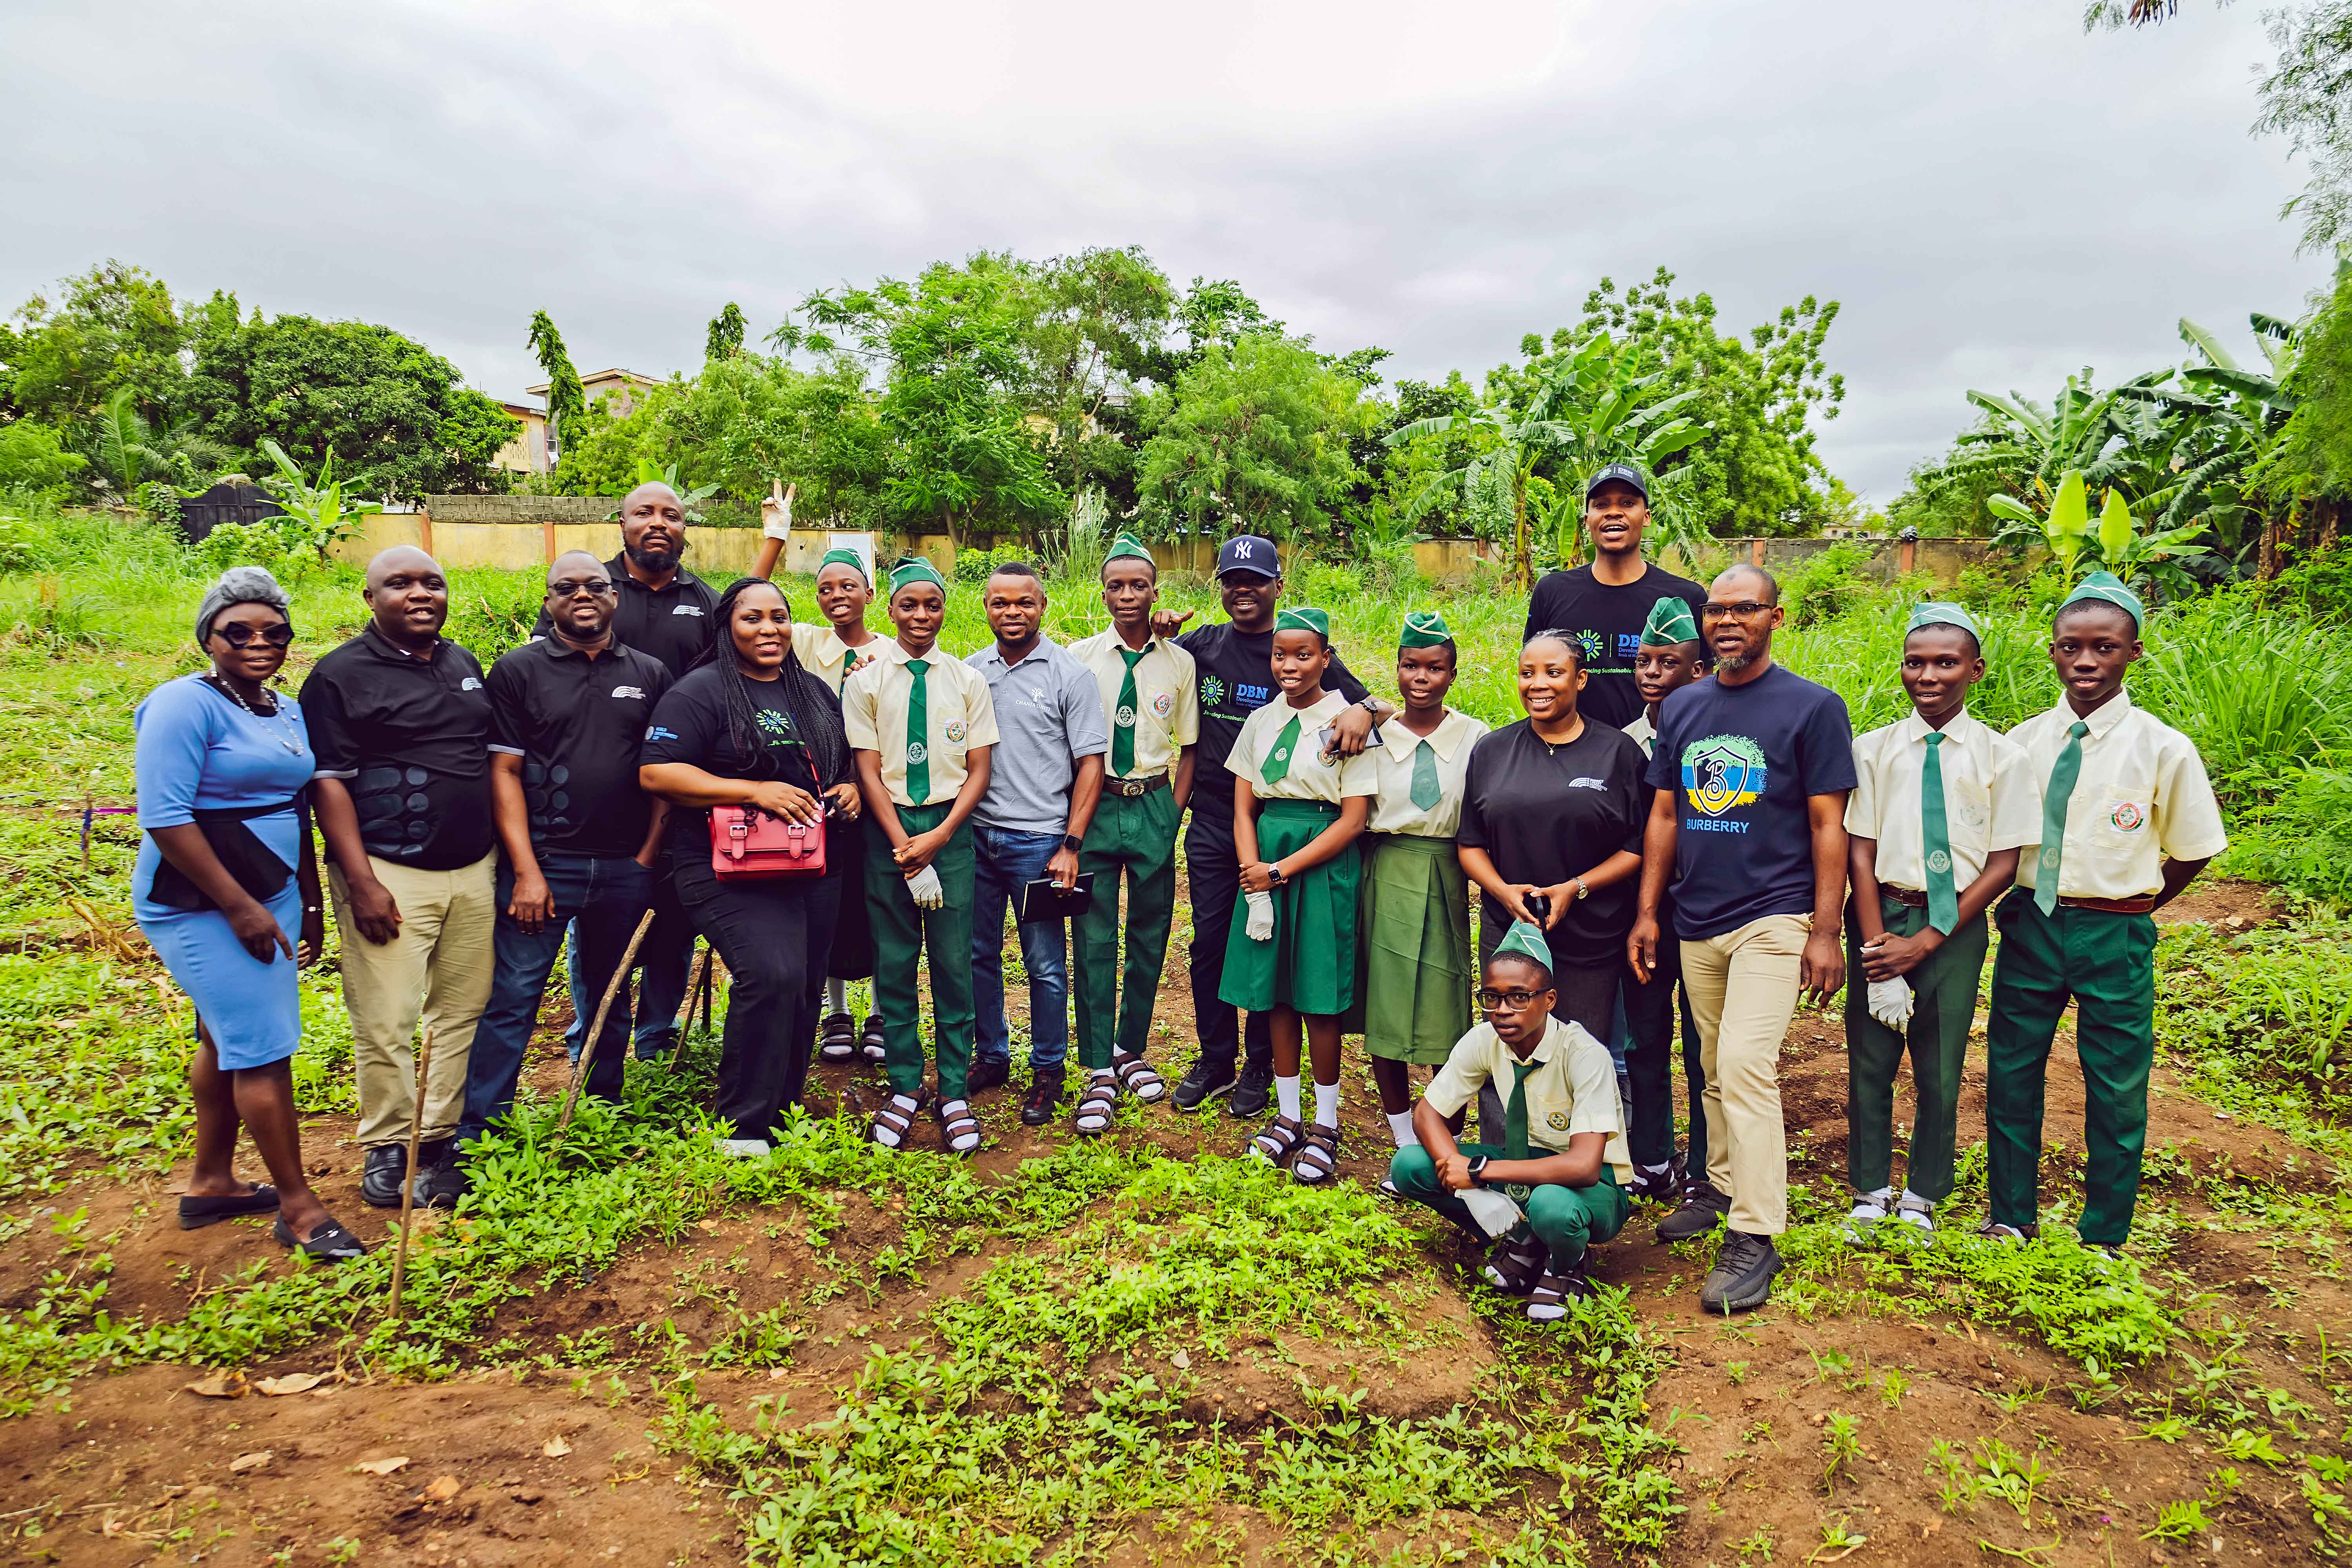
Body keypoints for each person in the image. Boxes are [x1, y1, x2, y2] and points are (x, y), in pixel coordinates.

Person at [1630, 563, 1854, 1315]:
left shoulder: (1813, 708)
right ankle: (1721, 1186)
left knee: (1744, 1064)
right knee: (1711, 1067)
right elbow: (1666, 815)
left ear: (1775, 618)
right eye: (1716, 610)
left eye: (1746, 608)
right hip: (1698, 917)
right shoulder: (1684, 706)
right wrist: (1649, 912)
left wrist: (1826, 929)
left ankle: (1756, 1233)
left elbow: (1829, 824)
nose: (1728, 621)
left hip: (1775, 914)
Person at [1983, 573, 2226, 1252]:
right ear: (2053, 652)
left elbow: (2194, 850)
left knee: (2117, 1083)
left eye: (2105, 648)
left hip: (2114, 930)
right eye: (2071, 647)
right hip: (2032, 924)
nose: (2086, 661)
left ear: (2134, 653)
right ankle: (2011, 1217)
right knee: (2012, 1071)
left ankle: (2105, 1234)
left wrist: (2137, 904)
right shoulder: (2022, 742)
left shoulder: (2163, 748)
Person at [135, 568, 364, 1263]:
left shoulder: (283, 707)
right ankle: (300, 1209)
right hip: (203, 900)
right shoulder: (183, 705)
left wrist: (309, 904)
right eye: (238, 631)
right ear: (208, 636)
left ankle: (212, 1183)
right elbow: (165, 817)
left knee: (222, 1035)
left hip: (274, 890)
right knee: (263, 1050)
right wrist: (239, 908)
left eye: (274, 631)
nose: (259, 642)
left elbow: (298, 806)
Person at [457, 553, 675, 1161]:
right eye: (567, 587)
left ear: (615, 598)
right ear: (548, 601)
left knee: (610, 992)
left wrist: (647, 858)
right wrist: (526, 870)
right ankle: (480, 1131)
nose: (583, 595)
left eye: (595, 586)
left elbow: (663, 771)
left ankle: (602, 1105)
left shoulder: (650, 673)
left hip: (624, 867)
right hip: (546, 866)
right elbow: (503, 772)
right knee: (514, 996)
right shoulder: (518, 671)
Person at [1156, 536, 1383, 1117]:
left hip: (1286, 826)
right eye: (1232, 580)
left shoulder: (1297, 646)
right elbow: (1155, 663)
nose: (1243, 590)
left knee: (1273, 942)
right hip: (1218, 818)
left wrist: (1366, 710)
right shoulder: (1204, 644)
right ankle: (1216, 1058)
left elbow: (1376, 704)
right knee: (1210, 942)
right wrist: (1158, 629)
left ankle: (1261, 1064)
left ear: (1278, 586)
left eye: (1255, 580)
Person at [303, 546, 497, 1210]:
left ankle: (438, 1136)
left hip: (473, 866)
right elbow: (328, 781)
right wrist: (361, 882)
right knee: (387, 1016)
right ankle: (388, 1143)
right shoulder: (339, 676)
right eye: (400, 584)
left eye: (432, 583)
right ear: (370, 598)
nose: (420, 594)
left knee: (461, 1010)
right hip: (390, 869)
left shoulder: (463, 663)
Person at [640, 577, 858, 1155]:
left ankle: (783, 1108)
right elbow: (658, 772)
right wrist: (754, 791)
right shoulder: (701, 691)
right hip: (727, 866)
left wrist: (849, 789)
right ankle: (742, 1125)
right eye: (752, 618)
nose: (769, 629)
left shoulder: (812, 691)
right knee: (771, 973)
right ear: (726, 627)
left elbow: (837, 765)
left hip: (812, 862)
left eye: (779, 618)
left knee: (805, 984)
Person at [1842, 603, 2034, 1237]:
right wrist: (1878, 948)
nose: (1927, 676)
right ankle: (1870, 1190)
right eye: (1914, 662)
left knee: (1940, 1066)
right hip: (1879, 913)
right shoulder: (1873, 751)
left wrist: (1925, 943)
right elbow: (1860, 852)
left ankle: (1923, 1194)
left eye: (1946, 663)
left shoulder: (2003, 759)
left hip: (1954, 927)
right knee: (1870, 1061)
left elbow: (2003, 864)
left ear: (1975, 671)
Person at [537, 482, 717, 1067]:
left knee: (675, 916)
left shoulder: (705, 601)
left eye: (671, 514)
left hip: (679, 790)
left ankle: (656, 1034)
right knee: (593, 932)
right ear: (623, 523)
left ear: (685, 528)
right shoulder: (587, 587)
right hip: (598, 798)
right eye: (645, 512)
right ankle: (592, 1038)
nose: (658, 523)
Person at [1388, 922, 1633, 1321]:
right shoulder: (1485, 1039)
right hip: (1524, 1165)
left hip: (1594, 1187)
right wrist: (1470, 1188)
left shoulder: (1585, 1056)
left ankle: (1567, 1264)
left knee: (1551, 1204)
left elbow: (1584, 1166)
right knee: (1410, 1165)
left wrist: (1478, 1173)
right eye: (1492, 997)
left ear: (1549, 999)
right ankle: (1523, 1240)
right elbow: (1428, 1114)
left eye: (1519, 997)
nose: (1503, 1010)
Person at [842, 557, 999, 1156]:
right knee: (896, 961)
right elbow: (868, 770)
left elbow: (979, 770)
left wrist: (938, 838)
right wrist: (904, 846)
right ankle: (906, 1083)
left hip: (949, 829)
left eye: (932, 605)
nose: (920, 616)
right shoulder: (866, 683)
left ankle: (953, 1088)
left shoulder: (967, 681)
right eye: (909, 605)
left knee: (954, 964)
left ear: (944, 611)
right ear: (890, 611)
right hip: (887, 831)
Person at [1221, 605, 1375, 1186]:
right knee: (1276, 992)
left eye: (1304, 655)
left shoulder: (1348, 722)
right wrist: (1253, 872)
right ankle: (1288, 1116)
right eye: (1280, 654)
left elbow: (1354, 819)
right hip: (1263, 858)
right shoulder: (1260, 721)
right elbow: (1243, 807)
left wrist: (1279, 871)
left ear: (1326, 659)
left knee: (1318, 994)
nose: (1290, 665)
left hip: (1318, 865)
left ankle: (1326, 1124)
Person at [964, 562, 1112, 1118]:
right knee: (978, 954)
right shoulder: (970, 672)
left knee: (1045, 964)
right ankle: (991, 1055)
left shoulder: (1070, 675)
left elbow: (1091, 763)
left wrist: (1070, 844)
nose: (1013, 612)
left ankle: (1049, 1068)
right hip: (977, 838)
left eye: (1024, 602)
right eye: (1000, 603)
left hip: (1039, 842)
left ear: (1043, 606)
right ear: (985, 608)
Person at [1067, 535, 1199, 1135]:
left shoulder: (1179, 662)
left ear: (1155, 591)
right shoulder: (1079, 659)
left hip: (1151, 804)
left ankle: (1130, 1048)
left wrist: (1171, 812)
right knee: (1093, 936)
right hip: (1095, 805)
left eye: (1138, 585)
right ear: (1103, 594)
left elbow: (1190, 747)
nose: (1127, 595)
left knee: (1151, 932)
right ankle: (1097, 1064)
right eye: (1116, 586)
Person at [1457, 631, 1649, 1044]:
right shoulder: (1492, 751)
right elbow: (1470, 844)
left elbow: (1637, 848)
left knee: (1580, 1051)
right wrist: (1502, 892)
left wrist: (1575, 888)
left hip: (1590, 936)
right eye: (1527, 673)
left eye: (1554, 672)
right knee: (1510, 1048)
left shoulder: (1619, 753)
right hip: (1509, 931)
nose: (1538, 684)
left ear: (1581, 679)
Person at [1348, 611, 1488, 1165]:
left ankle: (1444, 1140)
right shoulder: (1374, 736)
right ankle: (1404, 1137)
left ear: (1453, 674)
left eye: (1434, 667)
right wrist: (1366, 708)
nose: (1421, 678)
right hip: (1385, 871)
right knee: (1385, 1004)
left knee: (1446, 1007)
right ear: (1398, 670)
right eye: (1410, 666)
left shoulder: (1476, 737)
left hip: (1447, 872)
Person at [1619, 598, 1710, 1205]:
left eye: (1667, 662)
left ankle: (1704, 1164)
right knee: (1645, 1038)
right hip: (1640, 914)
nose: (1652, 673)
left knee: (1706, 1045)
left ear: (1698, 670)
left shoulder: (1716, 738)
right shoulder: (1622, 745)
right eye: (1644, 661)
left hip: (1704, 910)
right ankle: (1653, 1157)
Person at [788, 544, 890, 1069]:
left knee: (878, 903)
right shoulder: (806, 644)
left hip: (879, 796)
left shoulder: (893, 652)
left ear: (870, 593)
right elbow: (738, 610)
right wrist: (775, 538)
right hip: (820, 798)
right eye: (825, 588)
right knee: (826, 904)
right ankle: (838, 1012)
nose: (836, 596)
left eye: (848, 586)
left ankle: (880, 1013)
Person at [1521, 465, 1710, 730]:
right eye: (1601, 505)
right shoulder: (1552, 591)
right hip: (1571, 746)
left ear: (1646, 517)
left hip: (1656, 745)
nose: (1613, 512)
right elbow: (1534, 671)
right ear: (1587, 520)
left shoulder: (1685, 597)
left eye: (1627, 503)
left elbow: (1704, 680)